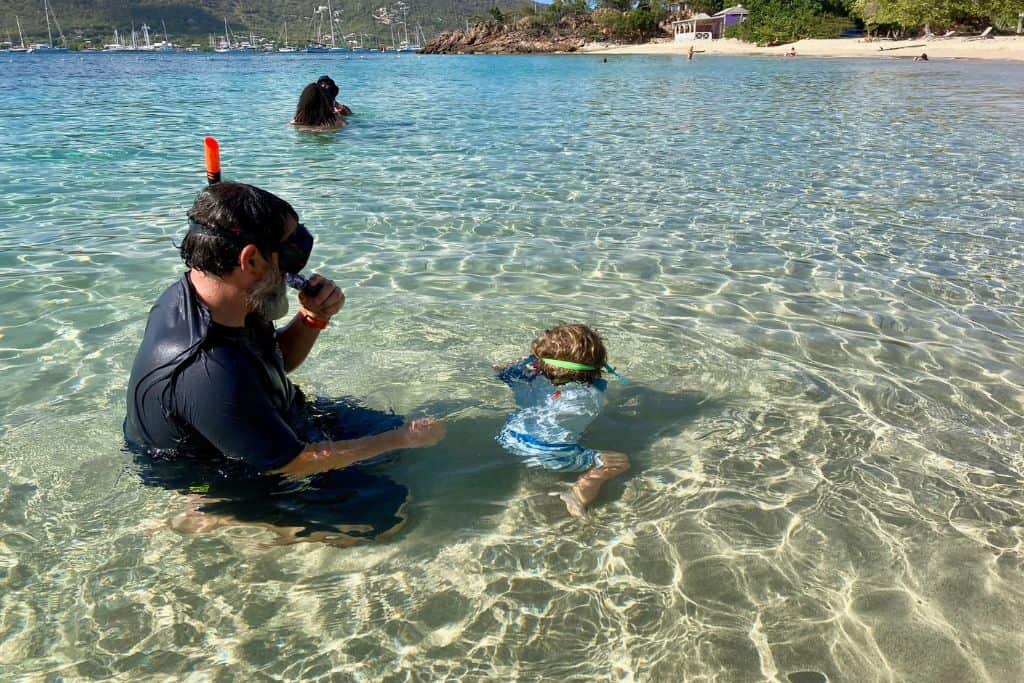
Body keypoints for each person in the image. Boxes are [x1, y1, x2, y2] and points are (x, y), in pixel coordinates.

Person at [125, 182, 445, 540]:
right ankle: (214, 513)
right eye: (290, 253)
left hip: (269, 418)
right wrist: (399, 439)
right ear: (250, 260)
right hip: (224, 471)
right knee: (384, 517)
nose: (297, 270)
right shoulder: (208, 370)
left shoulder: (226, 296)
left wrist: (312, 318)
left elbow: (272, 364)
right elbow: (291, 463)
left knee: (392, 447)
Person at [495, 324, 629, 517]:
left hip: (509, 435)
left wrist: (531, 361)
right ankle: (576, 494)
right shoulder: (588, 397)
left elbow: (500, 370)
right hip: (551, 454)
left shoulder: (530, 375)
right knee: (618, 462)